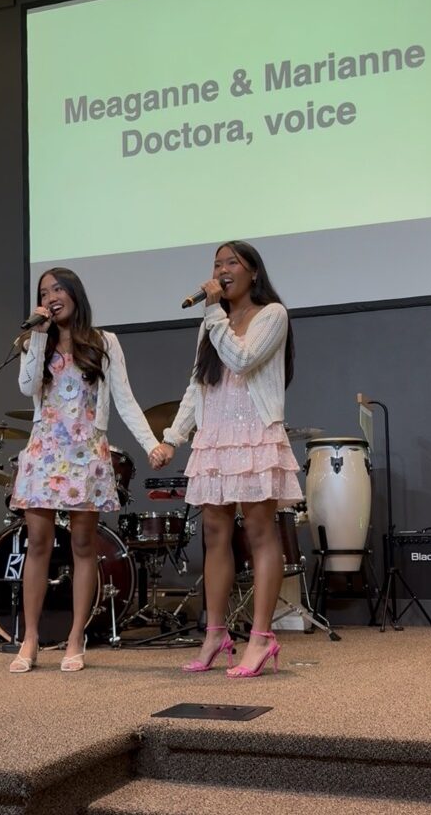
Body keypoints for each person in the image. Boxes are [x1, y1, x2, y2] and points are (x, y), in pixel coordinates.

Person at [154, 241, 302, 678]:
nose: (221, 269)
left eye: (230, 263)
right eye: (216, 263)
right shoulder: (212, 323)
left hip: (255, 432)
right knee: (214, 534)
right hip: (215, 436)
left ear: (253, 271)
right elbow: (198, 384)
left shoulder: (273, 314)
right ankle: (216, 633)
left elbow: (243, 357)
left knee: (260, 532)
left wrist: (213, 312)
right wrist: (173, 438)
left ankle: (261, 638)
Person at [9, 267, 162, 673]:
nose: (51, 295)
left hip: (86, 452)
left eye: (58, 288)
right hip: (44, 449)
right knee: (37, 543)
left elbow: (125, 400)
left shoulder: (104, 342)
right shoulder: (32, 341)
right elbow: (27, 388)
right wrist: (38, 334)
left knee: (82, 548)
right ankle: (30, 638)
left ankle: (76, 637)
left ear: (75, 294)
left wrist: (151, 444)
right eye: (44, 291)